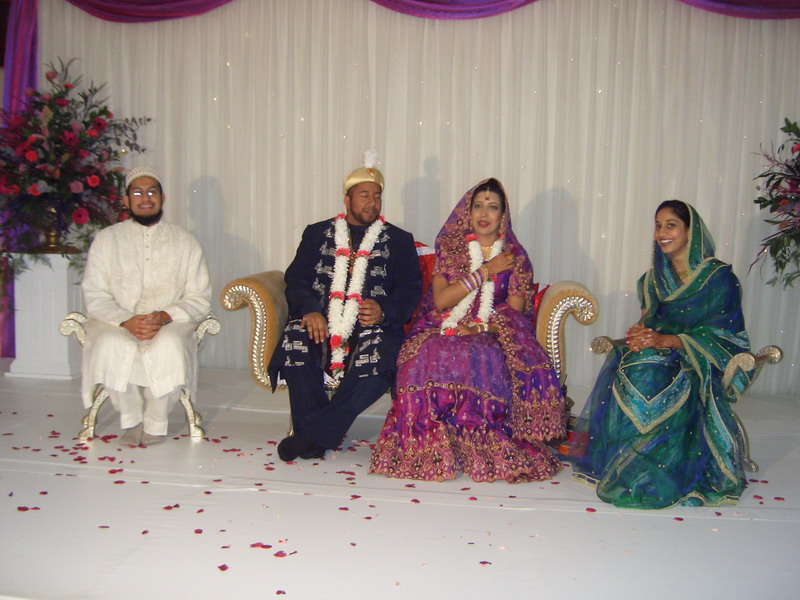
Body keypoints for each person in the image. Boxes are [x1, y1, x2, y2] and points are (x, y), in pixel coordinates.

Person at [369, 178, 566, 483]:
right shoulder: (452, 251)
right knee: (426, 351)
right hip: (443, 323)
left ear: (502, 216)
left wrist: (479, 326)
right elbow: (441, 300)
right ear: (468, 213)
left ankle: (476, 445)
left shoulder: (515, 258)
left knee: (478, 352)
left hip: (492, 330)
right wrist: (486, 270)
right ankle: (427, 442)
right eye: (478, 206)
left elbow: (514, 313)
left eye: (492, 207)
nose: (484, 213)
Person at [569, 200, 752, 508]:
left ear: (690, 231)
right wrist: (638, 334)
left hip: (699, 360)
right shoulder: (652, 280)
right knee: (631, 363)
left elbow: (725, 336)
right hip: (660, 354)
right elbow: (648, 322)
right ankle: (630, 468)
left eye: (671, 225)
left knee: (648, 371)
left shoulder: (718, 278)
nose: (662, 233)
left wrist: (668, 340)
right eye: (657, 226)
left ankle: (664, 469)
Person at [270, 160, 422, 462]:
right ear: (347, 199)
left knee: (381, 359)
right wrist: (310, 310)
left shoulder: (399, 240)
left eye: (377, 196)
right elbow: (296, 279)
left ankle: (310, 437)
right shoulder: (317, 233)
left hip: (371, 326)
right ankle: (319, 435)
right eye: (364, 195)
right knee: (295, 341)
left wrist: (383, 311)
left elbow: (409, 291)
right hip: (321, 321)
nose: (372, 202)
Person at [81, 167, 212, 446]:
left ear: (162, 198)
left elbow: (199, 296)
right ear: (126, 200)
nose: (145, 198)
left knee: (169, 345)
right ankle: (131, 419)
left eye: (151, 192)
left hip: (170, 320)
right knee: (111, 343)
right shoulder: (107, 239)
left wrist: (164, 316)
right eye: (138, 192)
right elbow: (95, 293)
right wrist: (126, 319)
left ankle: (156, 421)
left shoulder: (185, 241)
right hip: (116, 320)